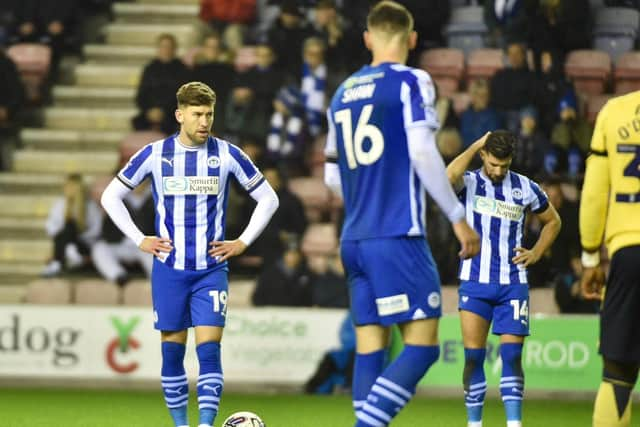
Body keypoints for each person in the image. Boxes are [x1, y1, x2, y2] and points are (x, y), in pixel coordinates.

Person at [323, 2, 480, 426]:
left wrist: (367, 189)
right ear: (411, 40)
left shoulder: (342, 92)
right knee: (423, 347)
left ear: (367, 38)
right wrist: (456, 213)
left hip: (354, 240)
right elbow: (423, 151)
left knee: (371, 346)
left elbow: (332, 178)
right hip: (397, 235)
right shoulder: (412, 81)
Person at [100, 81, 279, 427]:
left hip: (211, 269)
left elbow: (269, 198)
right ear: (180, 115)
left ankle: (205, 425)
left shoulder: (227, 154)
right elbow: (111, 196)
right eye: (197, 114)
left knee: (209, 350)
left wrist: (242, 242)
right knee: (172, 353)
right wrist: (140, 239)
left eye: (209, 114)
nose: (204, 122)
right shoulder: (155, 154)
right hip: (169, 268)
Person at [446, 131, 561, 427]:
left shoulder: (526, 187)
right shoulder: (470, 182)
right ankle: (474, 424)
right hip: (475, 280)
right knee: (473, 357)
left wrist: (536, 252)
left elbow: (553, 222)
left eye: (504, 165)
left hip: (513, 283)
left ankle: (514, 424)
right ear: (484, 155)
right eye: (494, 164)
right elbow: (447, 177)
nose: (498, 171)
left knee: (511, 356)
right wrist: (474, 145)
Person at [579, 91, 640, 427]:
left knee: (617, 373)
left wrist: (590, 257)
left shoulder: (615, 111)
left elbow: (593, 194)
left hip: (629, 252)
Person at [42, 173, 102, 277]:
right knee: (68, 227)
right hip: (63, 243)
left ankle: (58, 261)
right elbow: (50, 225)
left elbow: (96, 230)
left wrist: (76, 237)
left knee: (71, 225)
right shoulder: (60, 204)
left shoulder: (90, 205)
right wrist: (65, 236)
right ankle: (69, 252)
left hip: (83, 244)